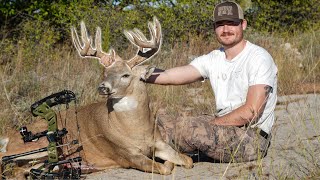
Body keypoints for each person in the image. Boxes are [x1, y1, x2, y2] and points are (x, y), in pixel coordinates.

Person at [146, 1, 278, 162]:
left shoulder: (258, 58)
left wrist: (212, 124)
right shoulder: (214, 58)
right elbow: (169, 75)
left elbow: (251, 112)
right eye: (220, 24)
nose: (226, 29)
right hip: (225, 126)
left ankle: (152, 153)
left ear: (243, 25)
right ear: (215, 28)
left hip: (252, 138)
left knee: (190, 130)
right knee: (161, 120)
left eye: (232, 23)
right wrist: (135, 73)